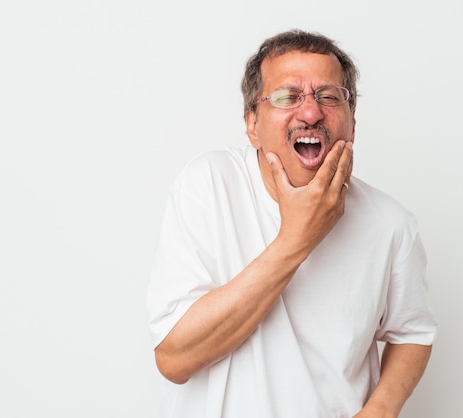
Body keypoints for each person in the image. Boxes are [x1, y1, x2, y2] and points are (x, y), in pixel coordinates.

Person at [146, 29, 437, 418]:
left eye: (329, 96)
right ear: (253, 123)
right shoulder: (209, 184)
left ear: (353, 121)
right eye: (287, 97)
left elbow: (413, 333)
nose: (312, 113)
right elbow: (174, 359)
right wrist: (299, 236)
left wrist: (381, 409)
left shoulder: (390, 224)